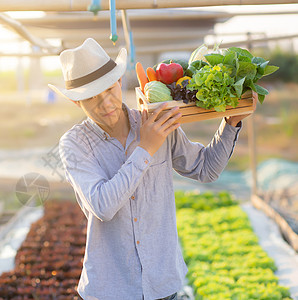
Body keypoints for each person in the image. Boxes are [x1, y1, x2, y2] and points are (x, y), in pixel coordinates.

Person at [48, 38, 256, 300]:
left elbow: (205, 169)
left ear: (120, 82)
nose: (106, 103)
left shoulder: (154, 120)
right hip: (111, 289)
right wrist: (145, 148)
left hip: (163, 284)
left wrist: (232, 122)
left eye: (109, 90)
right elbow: (102, 205)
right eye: (92, 98)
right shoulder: (75, 144)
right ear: (77, 103)